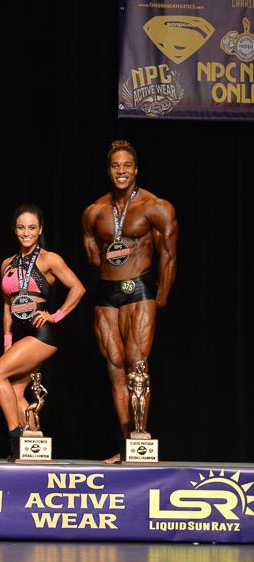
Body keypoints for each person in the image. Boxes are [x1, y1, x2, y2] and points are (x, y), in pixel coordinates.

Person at [81, 140, 177, 463]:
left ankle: (139, 441)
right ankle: (125, 445)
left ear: (135, 169)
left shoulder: (155, 207)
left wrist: (160, 297)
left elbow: (169, 255)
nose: (121, 171)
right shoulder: (94, 212)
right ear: (109, 171)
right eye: (115, 166)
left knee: (137, 366)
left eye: (126, 166)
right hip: (106, 295)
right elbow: (93, 257)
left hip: (140, 290)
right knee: (115, 368)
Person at [0, 204, 85, 447]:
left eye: (32, 228)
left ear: (40, 229)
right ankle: (34, 446)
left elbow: (78, 288)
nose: (26, 233)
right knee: (14, 391)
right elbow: (7, 307)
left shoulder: (49, 259)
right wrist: (7, 341)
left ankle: (15, 434)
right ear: (15, 230)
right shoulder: (7, 264)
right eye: (21, 228)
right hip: (21, 335)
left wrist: (56, 315)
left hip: (42, 335)